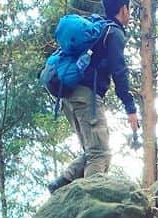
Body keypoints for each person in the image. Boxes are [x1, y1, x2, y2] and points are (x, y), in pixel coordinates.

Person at [49, 0, 140, 191]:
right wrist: (130, 108)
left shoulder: (100, 28)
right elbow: (119, 72)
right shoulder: (114, 33)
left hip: (69, 95)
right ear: (124, 9)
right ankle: (90, 205)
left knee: (92, 152)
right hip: (86, 96)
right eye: (129, 9)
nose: (129, 14)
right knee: (100, 153)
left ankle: (61, 184)